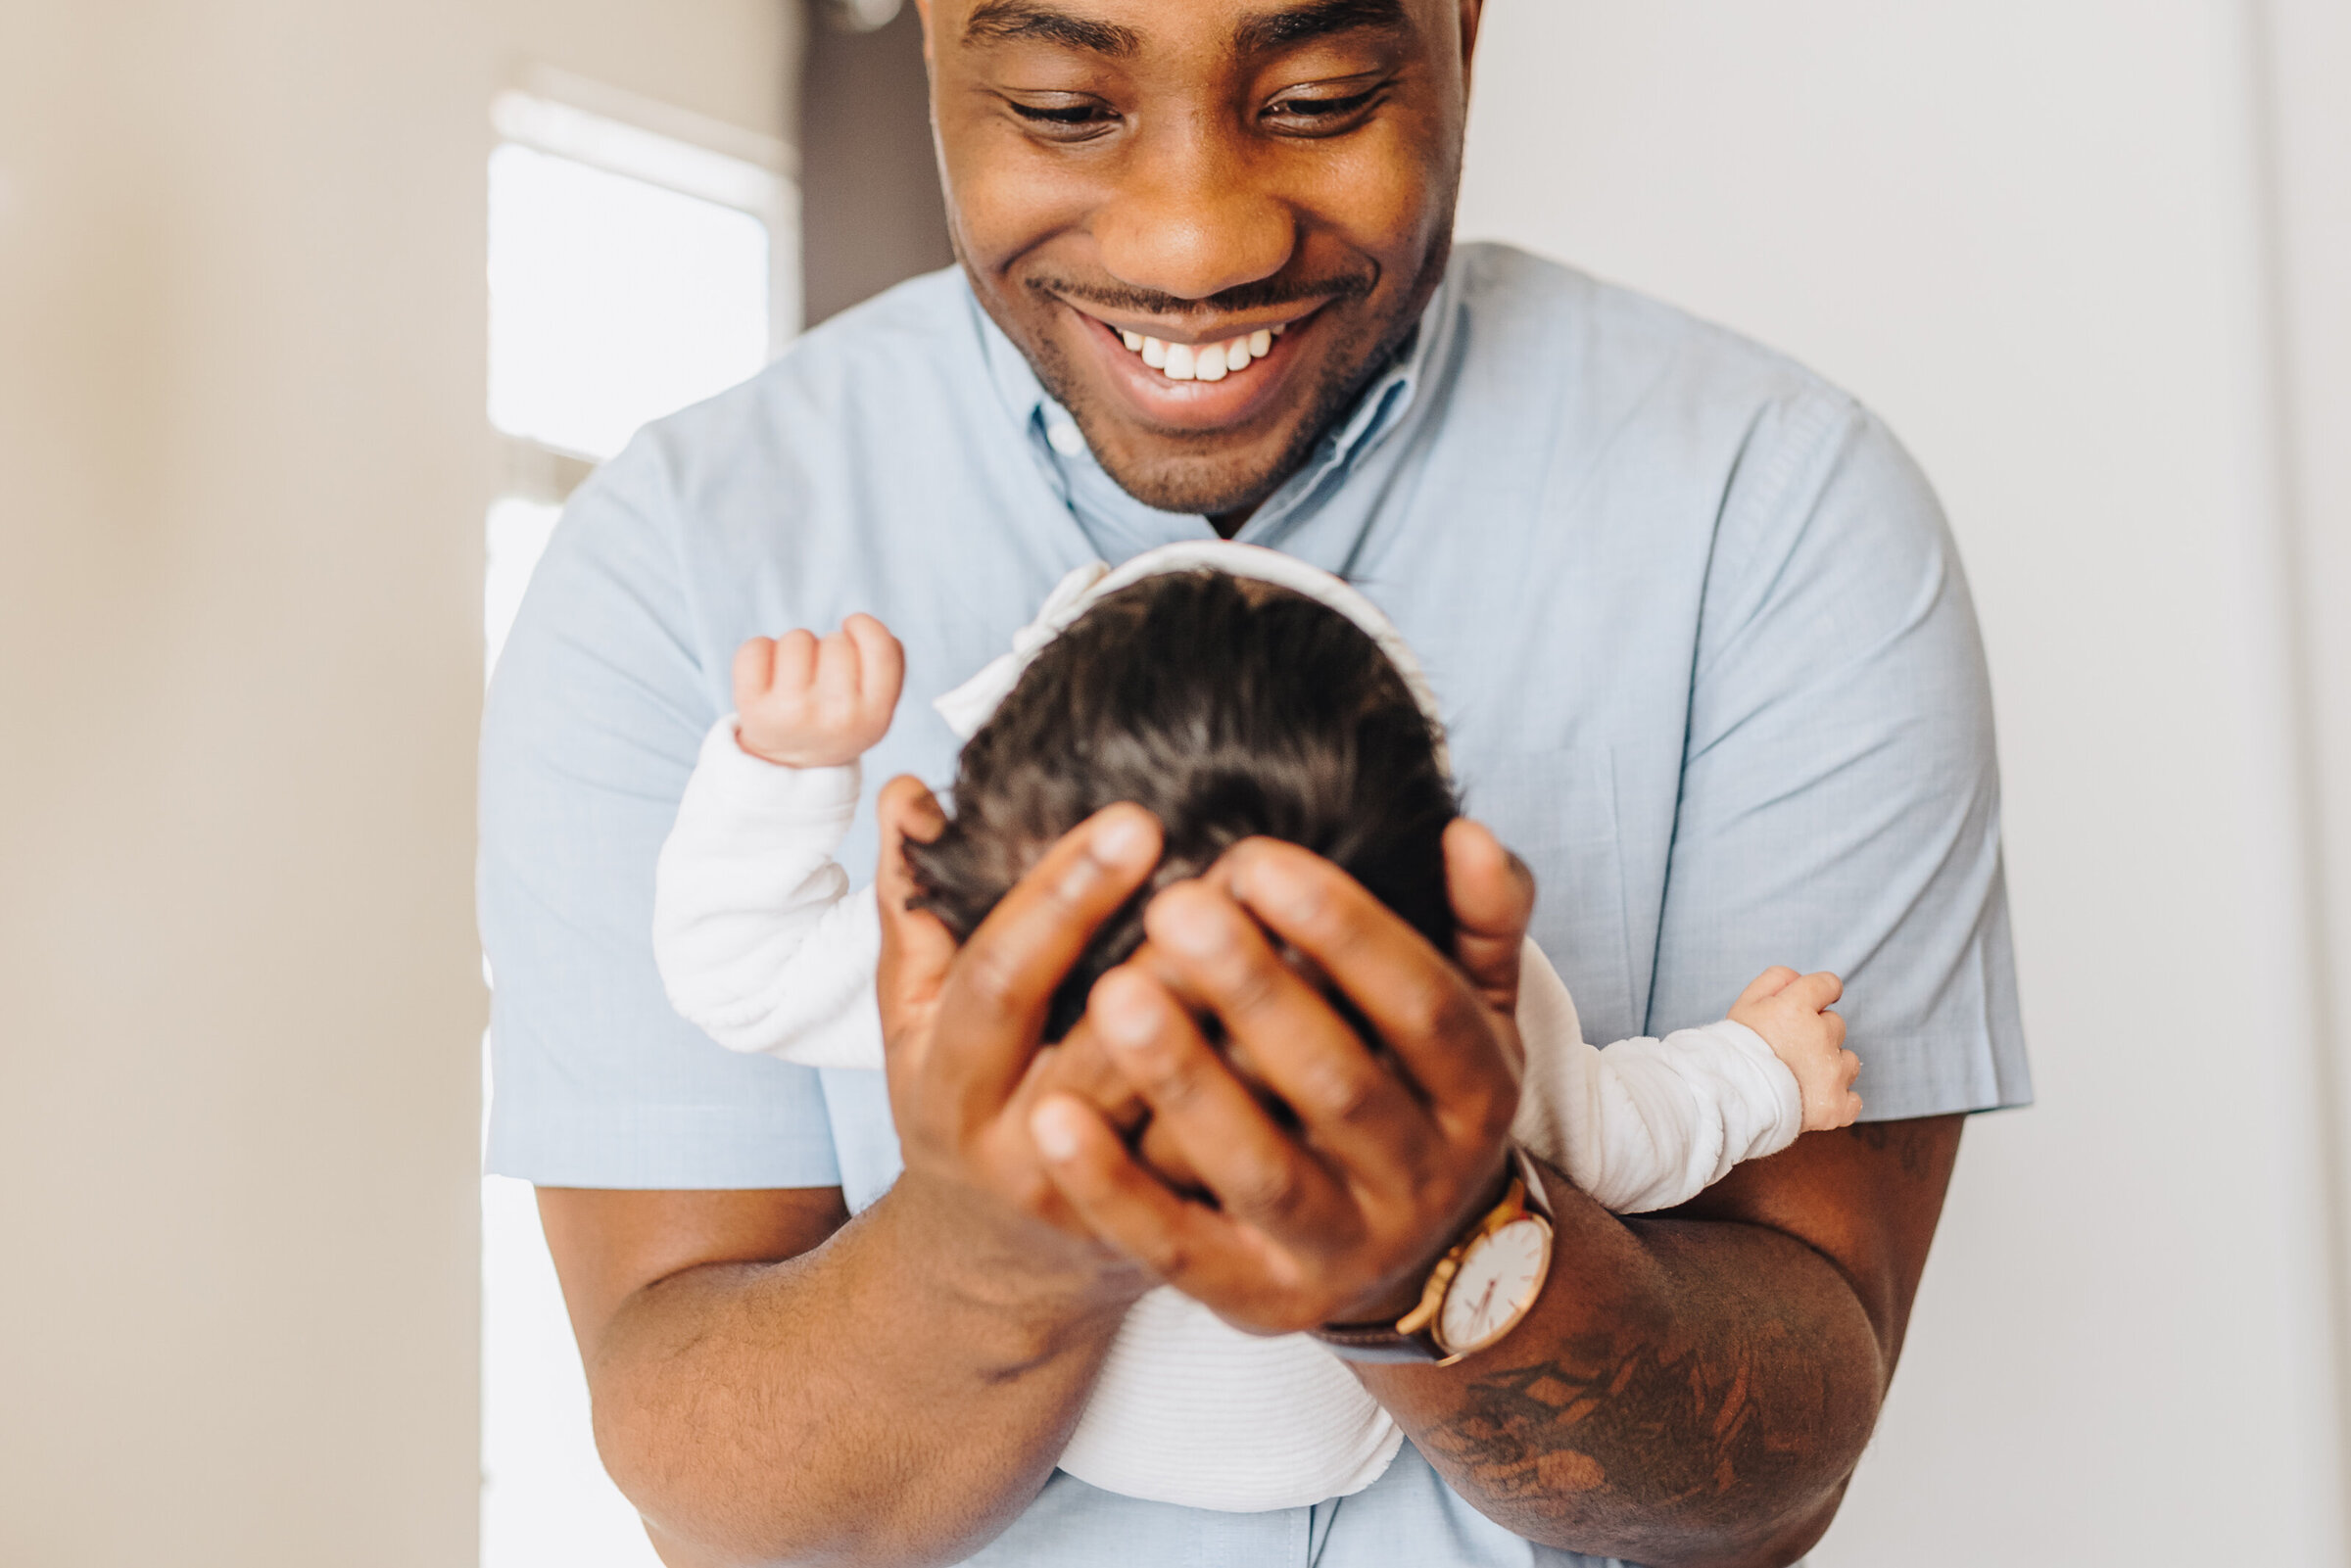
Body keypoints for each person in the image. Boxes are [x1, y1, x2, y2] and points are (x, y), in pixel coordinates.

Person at [478, 0, 2032, 1562]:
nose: (1196, 241)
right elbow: (714, 1499)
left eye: (1320, 97)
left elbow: (1775, 1483)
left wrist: (1449, 1244)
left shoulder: (1779, 514)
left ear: (1468, 26)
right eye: (1066, 107)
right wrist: (998, 1241)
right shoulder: (673, 567)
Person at [648, 546, 1863, 1513]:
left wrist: (784, 771)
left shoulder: (1436, 1022)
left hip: (1247, 1474)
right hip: (1080, 1470)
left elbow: (741, 966)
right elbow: (1612, 1125)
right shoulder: (980, 971)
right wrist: (1756, 1072)